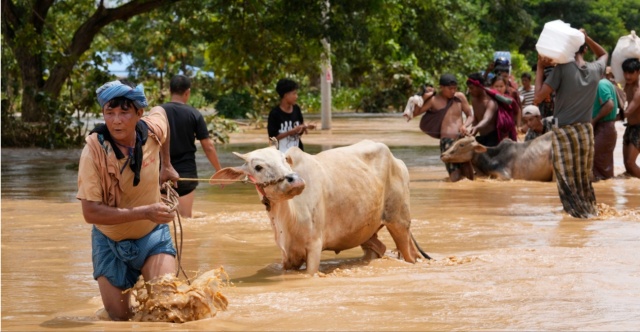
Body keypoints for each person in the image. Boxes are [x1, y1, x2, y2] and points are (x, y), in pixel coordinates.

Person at [77, 80, 180, 320]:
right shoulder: (93, 153)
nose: (116, 120)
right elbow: (90, 213)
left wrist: (167, 164)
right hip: (109, 241)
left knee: (167, 309)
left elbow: (162, 113)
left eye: (124, 112)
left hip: (152, 235)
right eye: (109, 113)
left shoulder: (152, 130)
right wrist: (145, 211)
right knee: (119, 319)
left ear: (139, 113)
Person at [533, 29, 607, 218]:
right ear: (584, 49)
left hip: (564, 131)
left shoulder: (562, 70)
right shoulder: (595, 69)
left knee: (567, 177)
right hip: (585, 131)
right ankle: (589, 212)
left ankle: (575, 216)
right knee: (583, 177)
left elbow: (537, 98)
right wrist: (587, 37)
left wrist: (540, 67)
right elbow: (604, 54)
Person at [162, 74, 222, 218]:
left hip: (161, 172)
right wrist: (219, 171)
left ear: (170, 90)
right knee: (186, 218)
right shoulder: (194, 114)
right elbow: (208, 146)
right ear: (187, 92)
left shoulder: (158, 112)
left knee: (163, 219)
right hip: (185, 173)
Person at [407, 74, 475, 182]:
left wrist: (465, 125)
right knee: (455, 177)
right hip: (447, 142)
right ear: (441, 87)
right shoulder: (433, 100)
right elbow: (414, 114)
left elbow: (470, 115)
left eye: (454, 88)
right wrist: (424, 96)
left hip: (462, 140)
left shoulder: (460, 97)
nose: (453, 91)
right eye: (450, 88)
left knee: (469, 176)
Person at [268, 78, 315, 153]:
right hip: (281, 155)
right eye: (294, 93)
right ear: (286, 95)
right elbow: (273, 139)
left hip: (297, 152)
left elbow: (299, 132)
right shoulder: (274, 114)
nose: (296, 96)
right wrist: (290, 132)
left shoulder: (296, 109)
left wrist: (304, 128)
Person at [591, 77, 619, 181]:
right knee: (603, 165)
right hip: (606, 127)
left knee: (597, 163)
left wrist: (594, 120)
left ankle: (604, 193)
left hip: (604, 127)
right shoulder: (605, 83)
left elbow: (609, 105)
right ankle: (606, 193)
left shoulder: (601, 84)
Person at [465, 73, 500, 147]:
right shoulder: (474, 100)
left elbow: (486, 119)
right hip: (482, 137)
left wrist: (476, 127)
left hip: (493, 138)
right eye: (469, 88)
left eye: (471, 88)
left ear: (480, 86)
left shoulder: (491, 102)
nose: (470, 91)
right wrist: (472, 131)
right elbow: (476, 118)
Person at [621, 58, 640, 178]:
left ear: (638, 72)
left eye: (631, 73)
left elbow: (628, 111)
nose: (627, 76)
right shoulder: (627, 85)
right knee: (627, 166)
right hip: (630, 127)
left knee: (630, 163)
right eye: (625, 72)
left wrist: (610, 118)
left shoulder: (639, 89)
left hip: (639, 128)